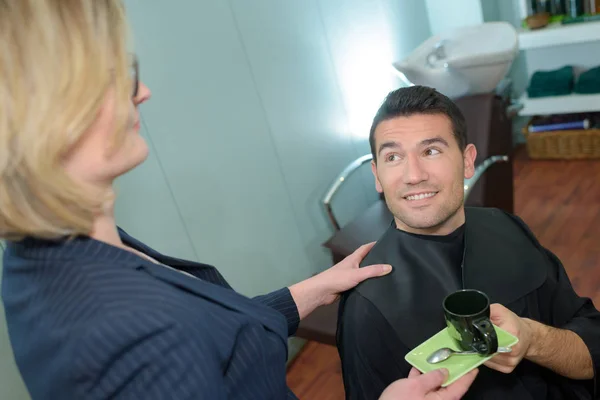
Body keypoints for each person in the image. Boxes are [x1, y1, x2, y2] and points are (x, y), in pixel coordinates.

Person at [0, 1, 478, 399]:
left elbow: (216, 339)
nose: (142, 92)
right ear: (50, 109)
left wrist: (308, 291)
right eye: (116, 76)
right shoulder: (126, 337)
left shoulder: (54, 248)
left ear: (466, 159)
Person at [336, 85, 600, 400]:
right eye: (393, 157)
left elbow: (590, 348)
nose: (413, 175)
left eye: (431, 150)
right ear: (377, 176)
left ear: (467, 160)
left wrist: (533, 339)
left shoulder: (508, 228)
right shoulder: (366, 308)